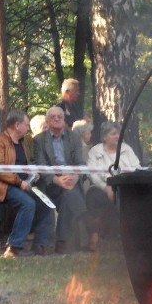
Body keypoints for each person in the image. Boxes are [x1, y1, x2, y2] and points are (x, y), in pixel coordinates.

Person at [0, 110, 53, 257]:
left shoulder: (22, 143)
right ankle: (14, 246)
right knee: (27, 204)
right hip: (3, 185)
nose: (28, 128)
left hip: (23, 183)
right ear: (17, 125)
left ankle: (40, 244)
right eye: (26, 124)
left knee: (46, 203)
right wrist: (19, 182)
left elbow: (23, 165)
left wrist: (31, 175)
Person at [33, 105, 88, 253]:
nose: (57, 119)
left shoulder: (74, 137)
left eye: (60, 117)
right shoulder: (39, 140)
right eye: (53, 117)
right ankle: (51, 241)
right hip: (50, 182)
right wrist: (57, 180)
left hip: (71, 179)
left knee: (69, 197)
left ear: (64, 120)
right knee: (64, 197)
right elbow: (41, 165)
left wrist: (75, 178)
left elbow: (80, 163)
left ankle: (63, 241)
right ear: (47, 120)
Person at [85, 122, 139, 251]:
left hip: (125, 186)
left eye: (119, 133)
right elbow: (93, 174)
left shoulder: (127, 149)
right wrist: (106, 187)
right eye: (113, 134)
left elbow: (137, 167)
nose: (117, 136)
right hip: (101, 187)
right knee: (95, 198)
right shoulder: (95, 151)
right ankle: (94, 239)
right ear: (104, 137)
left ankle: (131, 239)